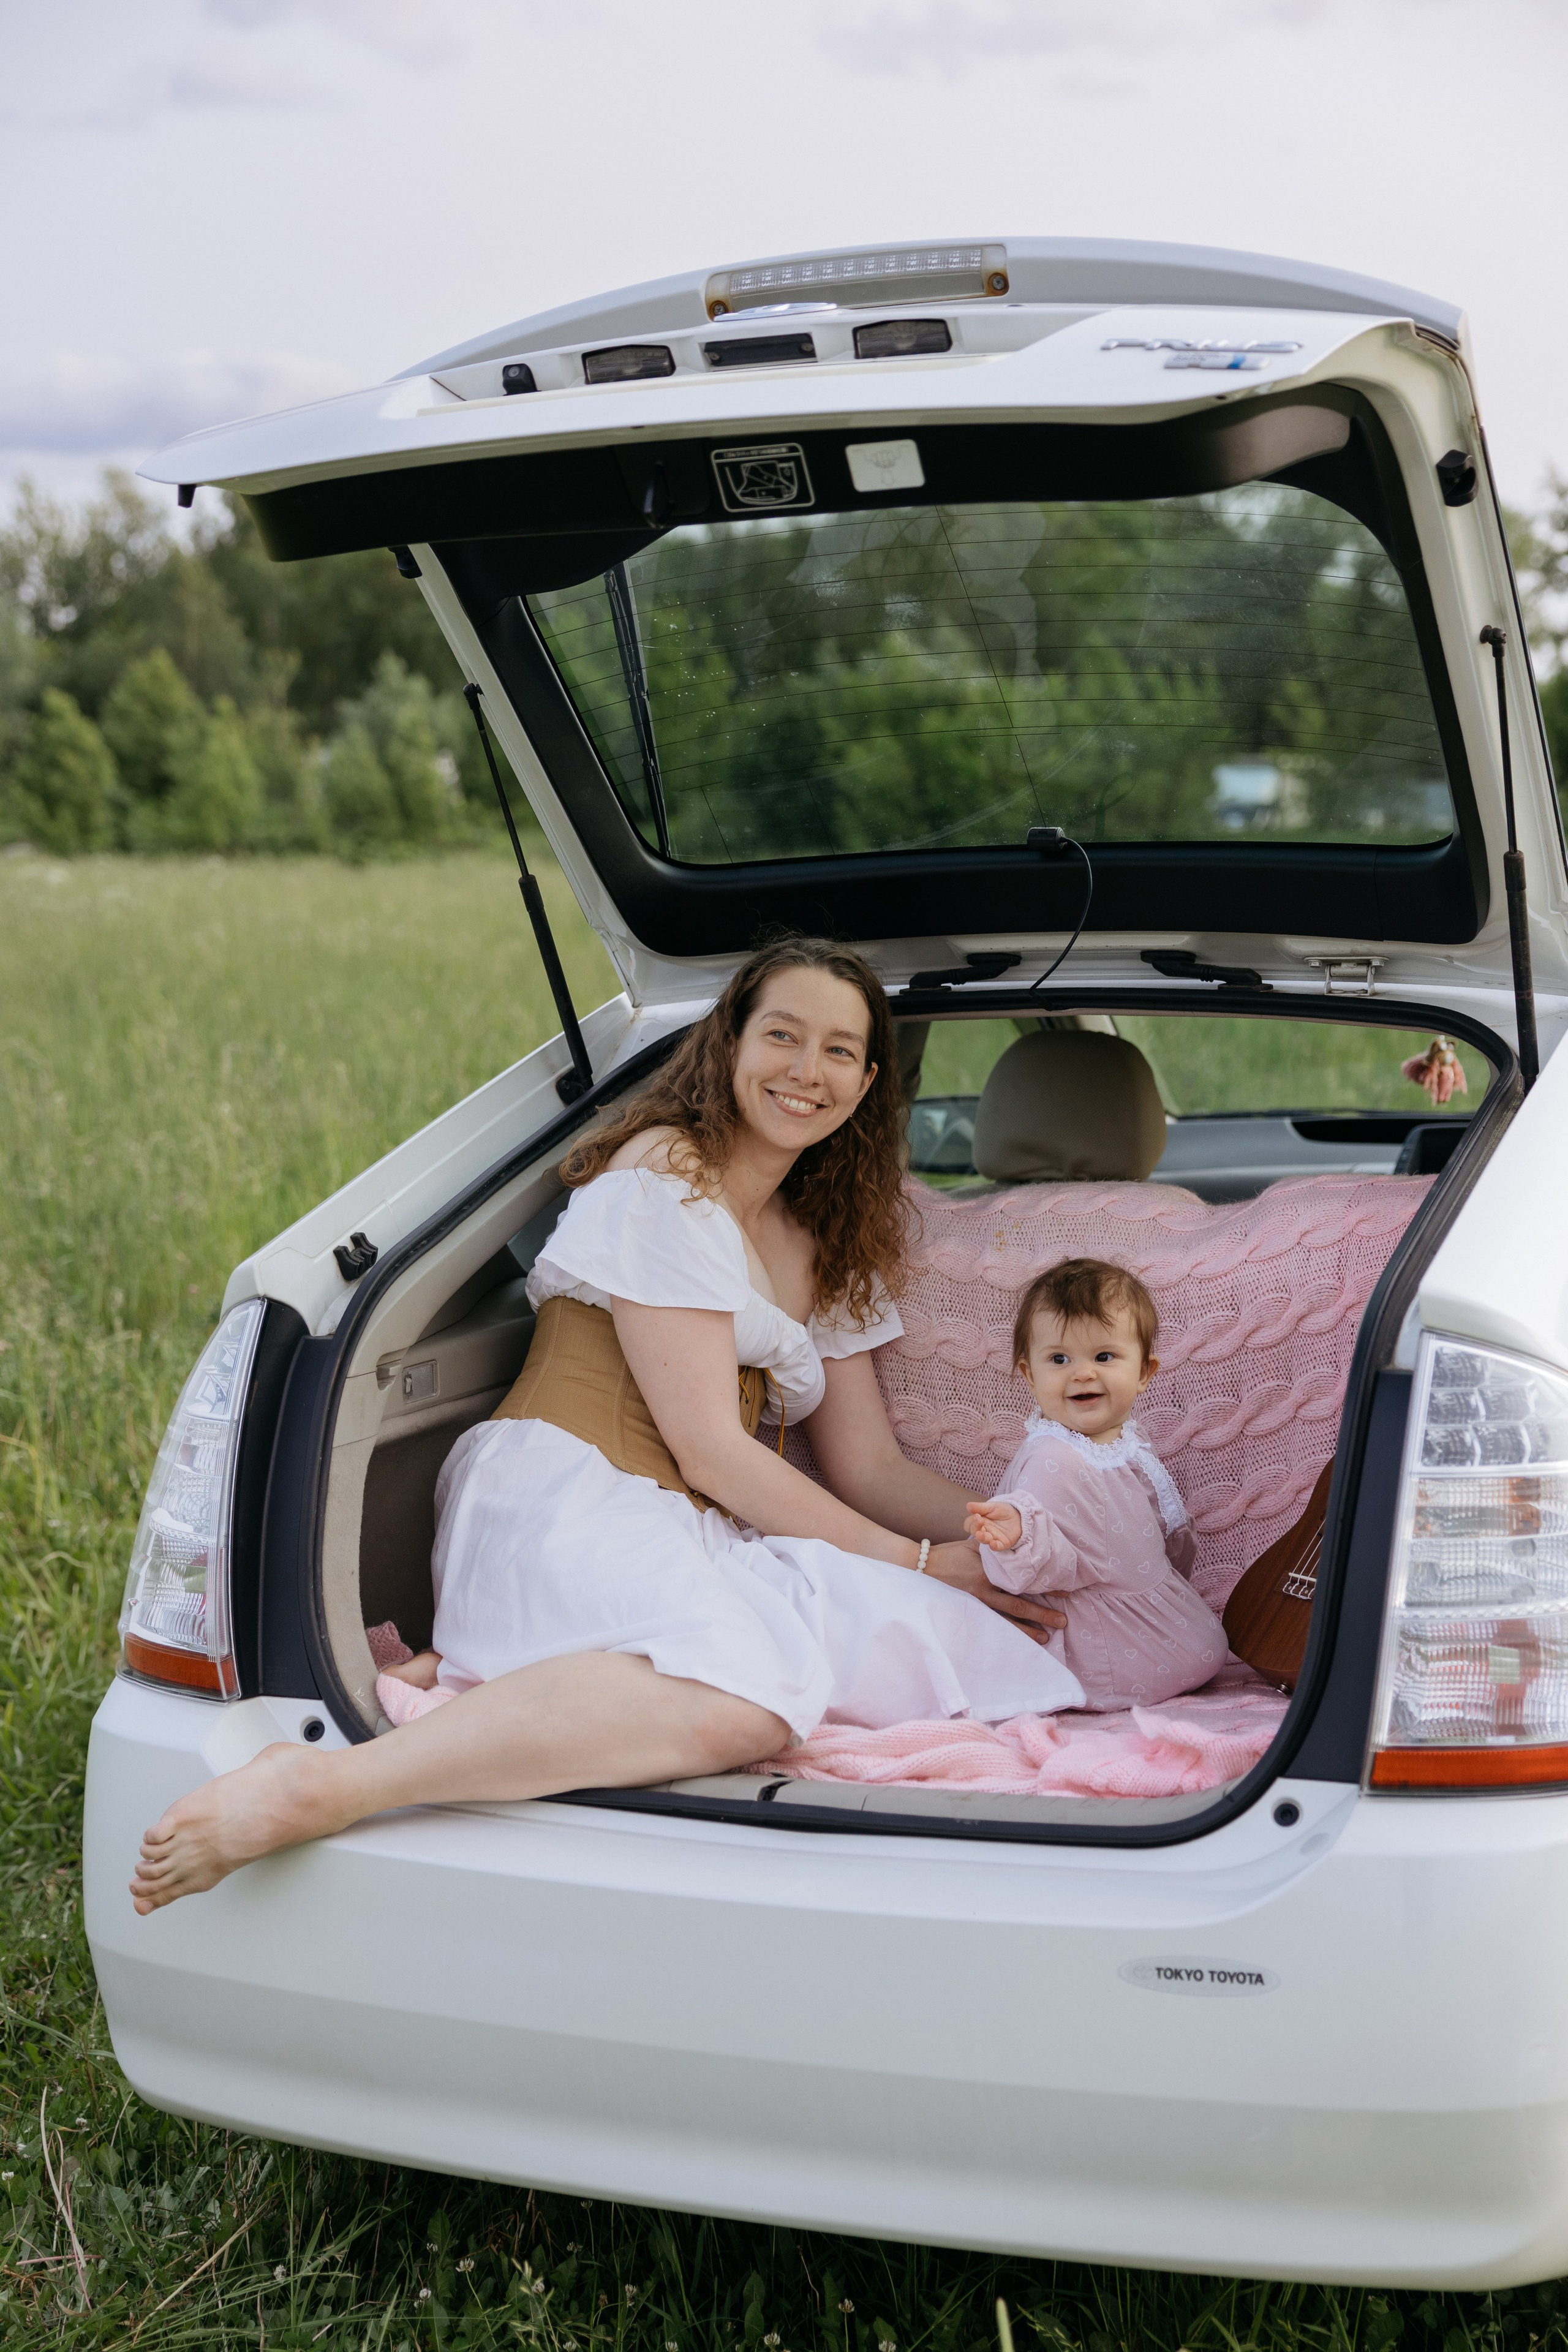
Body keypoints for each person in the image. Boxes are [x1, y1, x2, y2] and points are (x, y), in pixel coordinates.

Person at [130, 937, 1083, 1913]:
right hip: (564, 1489)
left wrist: (1018, 1533)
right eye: (783, 1036)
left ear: (871, 1079)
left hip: (698, 1529)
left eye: (840, 1051)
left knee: (1001, 1662)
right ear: (730, 1044)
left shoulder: (824, 1243)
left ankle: (478, 1679)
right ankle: (325, 1786)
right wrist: (918, 1564)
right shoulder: (666, 1175)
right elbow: (713, 1447)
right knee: (748, 1702)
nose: (808, 1071)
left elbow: (871, 1466)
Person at [965, 1259, 1227, 1710]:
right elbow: (1053, 1565)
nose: (1082, 1373)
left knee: (1206, 1645)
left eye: (1104, 1357)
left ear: (1145, 1373)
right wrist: (1019, 1532)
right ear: (1030, 1376)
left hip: (1140, 1599)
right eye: (1059, 1359)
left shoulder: (1121, 1443)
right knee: (1194, 1650)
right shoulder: (1055, 1458)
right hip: (1097, 1637)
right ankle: (1101, 1686)